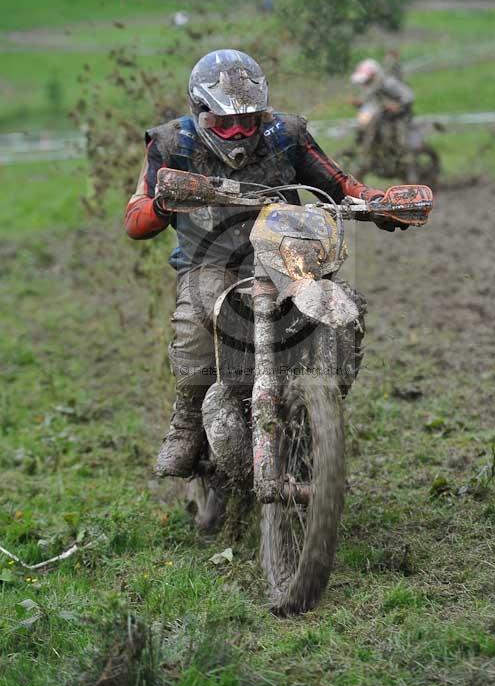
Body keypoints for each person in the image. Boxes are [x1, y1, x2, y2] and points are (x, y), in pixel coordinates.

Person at [125, 49, 407, 480]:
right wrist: (164, 202)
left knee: (338, 305)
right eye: (223, 122)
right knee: (194, 317)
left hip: (286, 254)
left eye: (248, 120)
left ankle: (323, 400)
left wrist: (376, 203)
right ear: (198, 112)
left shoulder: (286, 133)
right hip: (210, 262)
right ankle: (185, 422)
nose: (238, 132)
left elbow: (339, 183)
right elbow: (135, 219)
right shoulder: (171, 143)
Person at [350, 58, 413, 156]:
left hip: (401, 114)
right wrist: (359, 103)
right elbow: (370, 102)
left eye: (367, 80)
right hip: (383, 114)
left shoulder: (389, 83)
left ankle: (406, 160)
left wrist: (398, 105)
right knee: (365, 128)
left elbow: (408, 96)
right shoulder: (370, 87)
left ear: (375, 75)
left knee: (400, 140)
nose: (365, 83)